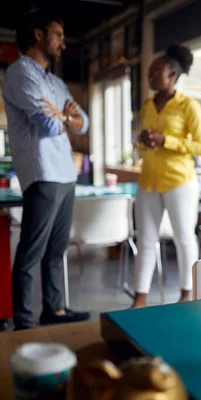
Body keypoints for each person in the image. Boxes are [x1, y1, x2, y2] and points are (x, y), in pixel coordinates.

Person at [2, 10, 90, 330]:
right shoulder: (20, 73)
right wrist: (66, 119)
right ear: (38, 34)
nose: (63, 43)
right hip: (42, 175)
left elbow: (84, 121)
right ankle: (24, 323)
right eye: (57, 35)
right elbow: (51, 124)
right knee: (30, 255)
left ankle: (54, 310)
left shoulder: (54, 82)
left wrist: (68, 118)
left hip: (66, 175)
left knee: (55, 252)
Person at [131, 44, 201, 308]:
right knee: (145, 241)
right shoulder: (147, 105)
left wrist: (167, 140)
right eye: (150, 70)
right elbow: (140, 144)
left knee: (184, 239)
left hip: (179, 182)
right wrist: (142, 141)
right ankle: (140, 299)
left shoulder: (188, 106)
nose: (150, 74)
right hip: (148, 181)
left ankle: (187, 295)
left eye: (156, 70)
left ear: (172, 74)